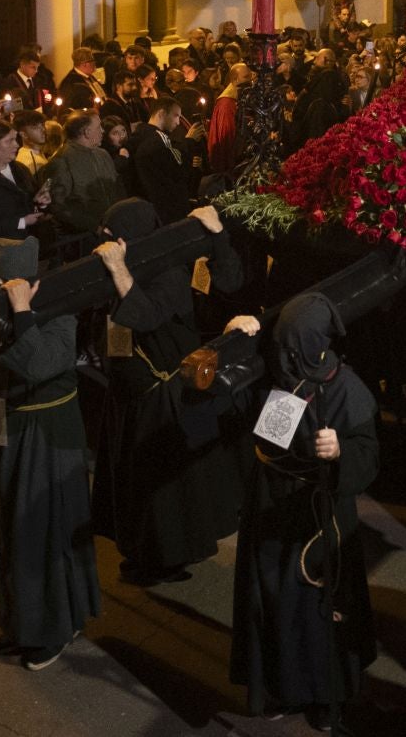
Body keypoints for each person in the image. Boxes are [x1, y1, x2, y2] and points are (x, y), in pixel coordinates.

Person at [230, 291, 379, 727]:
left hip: (318, 510)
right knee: (273, 600)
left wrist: (342, 451)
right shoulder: (276, 372)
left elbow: (369, 454)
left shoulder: (346, 387)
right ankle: (281, 687)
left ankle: (323, 694)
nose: (282, 354)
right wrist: (232, 338)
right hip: (271, 502)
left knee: (317, 609)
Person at [90, 201, 248, 586]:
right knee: (143, 481)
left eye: (113, 237)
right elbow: (116, 326)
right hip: (138, 392)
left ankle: (166, 555)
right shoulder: (135, 265)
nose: (106, 245)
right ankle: (147, 552)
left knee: (169, 487)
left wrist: (119, 270)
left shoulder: (168, 272)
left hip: (165, 394)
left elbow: (144, 315)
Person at [0, 256, 100, 671]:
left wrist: (23, 313)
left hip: (48, 437)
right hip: (11, 435)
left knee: (43, 531)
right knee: (14, 533)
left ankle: (53, 628)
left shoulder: (59, 316)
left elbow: (41, 365)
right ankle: (22, 624)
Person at [40, 112, 120, 235]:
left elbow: (117, 187)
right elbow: (59, 206)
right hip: (85, 237)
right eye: (99, 127)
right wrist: (95, 227)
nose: (102, 131)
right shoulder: (61, 161)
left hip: (114, 227)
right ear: (87, 132)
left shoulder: (103, 154)